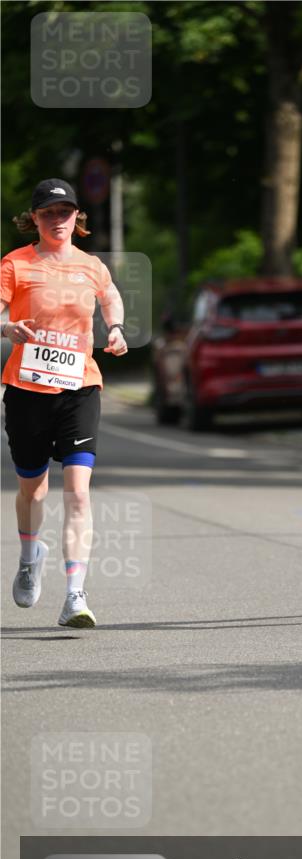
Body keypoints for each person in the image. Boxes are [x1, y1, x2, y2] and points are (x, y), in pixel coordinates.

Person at [1, 178, 127, 627]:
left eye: (66, 212)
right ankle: (30, 554)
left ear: (78, 218)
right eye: (49, 213)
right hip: (27, 390)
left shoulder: (91, 266)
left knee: (77, 491)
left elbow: (110, 295)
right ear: (34, 219)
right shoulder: (15, 264)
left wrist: (114, 328)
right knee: (32, 488)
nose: (58, 220)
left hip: (80, 387)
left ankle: (75, 594)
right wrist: (7, 328)